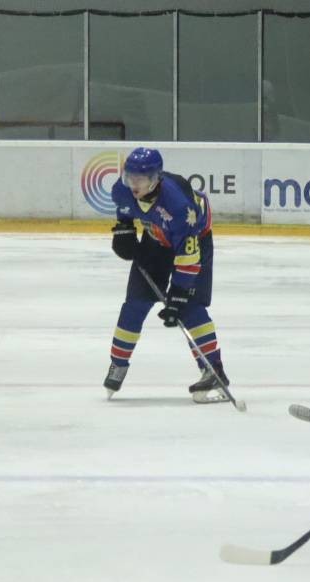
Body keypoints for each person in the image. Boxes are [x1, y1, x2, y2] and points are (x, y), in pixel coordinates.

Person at [104, 147, 230, 404]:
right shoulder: (122, 189)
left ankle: (213, 370)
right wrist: (124, 229)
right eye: (130, 177)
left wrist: (179, 295)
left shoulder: (179, 207)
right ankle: (118, 363)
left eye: (140, 179)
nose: (133, 184)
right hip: (156, 239)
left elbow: (188, 257)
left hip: (195, 240)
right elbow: (125, 209)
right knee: (135, 303)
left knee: (189, 307)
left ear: (155, 179)